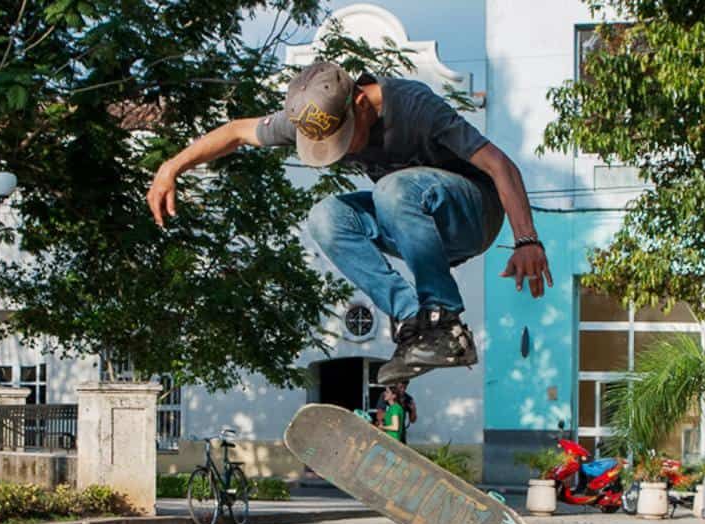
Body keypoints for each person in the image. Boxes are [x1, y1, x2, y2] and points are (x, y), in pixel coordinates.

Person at [147, 61, 551, 384]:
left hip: (473, 213)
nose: (338, 151)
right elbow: (237, 132)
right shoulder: (313, 115)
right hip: (412, 225)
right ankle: (415, 321)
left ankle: (442, 319)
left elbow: (499, 164)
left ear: (359, 103)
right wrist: (171, 167)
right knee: (326, 216)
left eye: (344, 138)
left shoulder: (415, 106)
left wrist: (526, 240)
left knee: (393, 189)